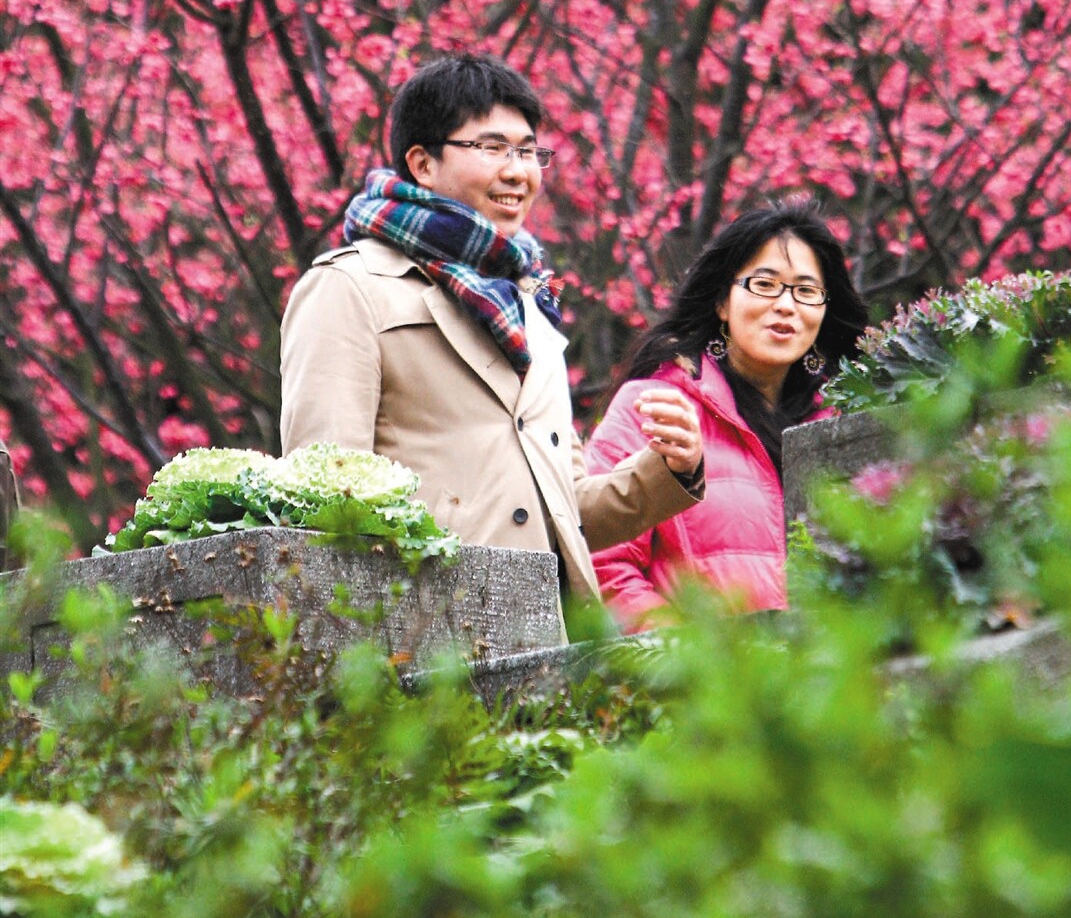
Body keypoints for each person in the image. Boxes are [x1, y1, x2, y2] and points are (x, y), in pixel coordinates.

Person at [280, 52, 704, 610]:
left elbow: (564, 509)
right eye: (492, 148)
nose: (518, 171)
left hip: (550, 639)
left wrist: (667, 469)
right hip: (423, 642)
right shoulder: (351, 288)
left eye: (529, 152)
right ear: (422, 163)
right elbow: (323, 497)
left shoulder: (531, 305)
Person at [584, 200, 868, 630]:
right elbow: (603, 564)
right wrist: (687, 659)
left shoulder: (840, 424)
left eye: (807, 291)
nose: (787, 305)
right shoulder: (656, 407)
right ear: (722, 301)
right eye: (765, 284)